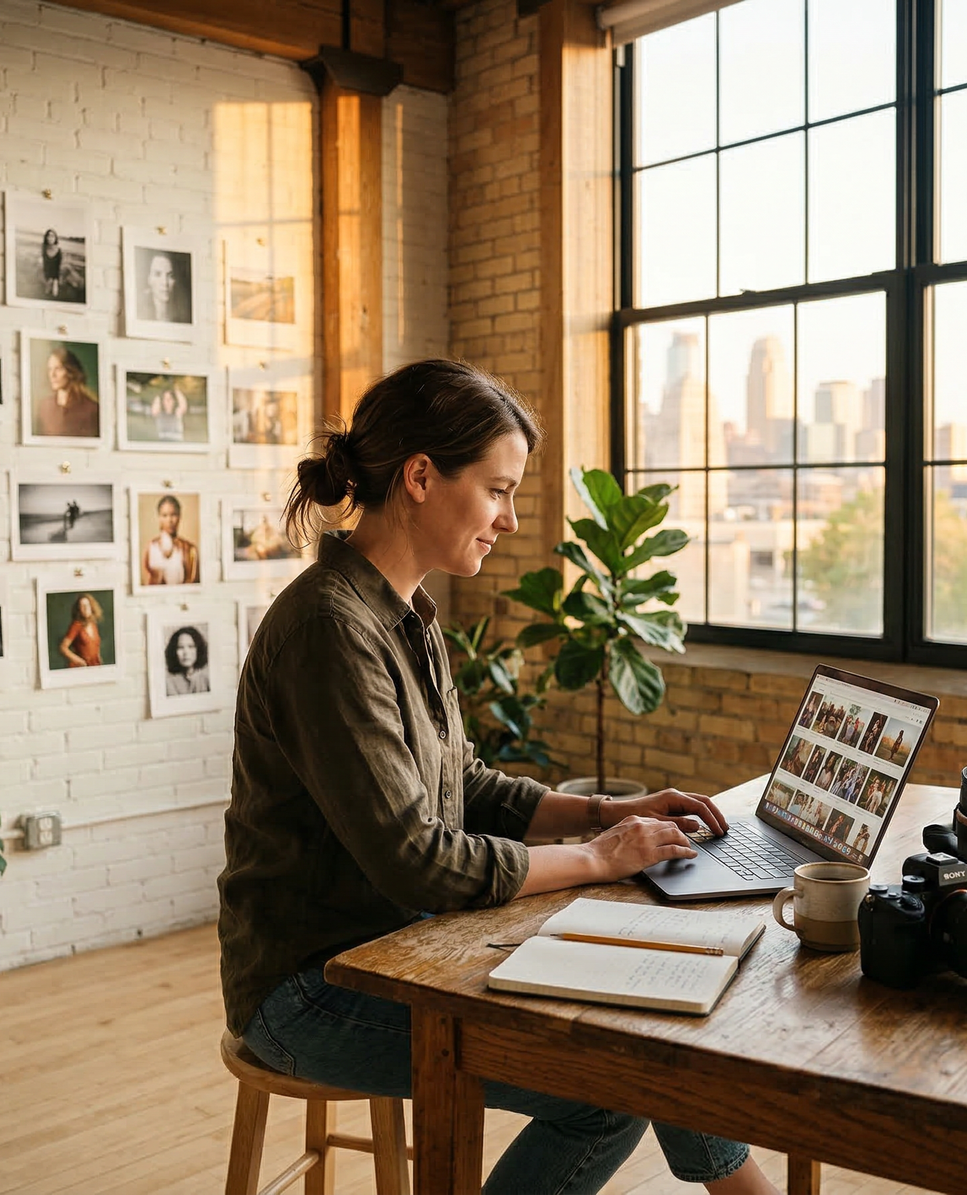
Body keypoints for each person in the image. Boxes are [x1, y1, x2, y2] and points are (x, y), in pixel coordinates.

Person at [218, 358, 779, 1195]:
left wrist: (608, 810)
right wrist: (599, 856)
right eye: (497, 490)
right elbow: (417, 856)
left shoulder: (405, 614)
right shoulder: (329, 630)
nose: (511, 519)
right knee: (611, 1089)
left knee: (646, 1025)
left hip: (407, 947)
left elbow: (466, 785)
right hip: (312, 989)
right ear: (419, 477)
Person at [34, 346, 99, 439]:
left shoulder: (91, 409)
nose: (52, 375)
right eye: (50, 369)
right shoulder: (44, 407)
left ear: (71, 371)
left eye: (58, 369)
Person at [142, 494, 198, 586]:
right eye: (164, 515)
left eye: (173, 515)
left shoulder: (190, 550)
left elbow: (193, 583)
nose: (169, 520)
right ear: (159, 518)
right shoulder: (151, 548)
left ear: (179, 517)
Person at [139, 250, 190, 324]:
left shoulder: (182, 316)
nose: (165, 282)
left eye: (170, 276)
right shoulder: (141, 313)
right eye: (158, 274)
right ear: (149, 279)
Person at [58, 593, 104, 668]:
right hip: (82, 668)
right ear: (79, 609)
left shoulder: (93, 624)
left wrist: (99, 660)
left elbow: (96, 646)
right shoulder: (76, 625)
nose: (85, 608)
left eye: (87, 605)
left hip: (95, 666)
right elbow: (63, 648)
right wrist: (80, 661)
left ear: (91, 606)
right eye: (82, 606)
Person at [164, 625, 209, 695]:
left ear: (198, 650)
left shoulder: (206, 679)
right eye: (180, 647)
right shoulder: (168, 683)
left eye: (191, 646)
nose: (186, 652)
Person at [41, 228, 62, 298]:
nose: (50, 238)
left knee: (54, 293)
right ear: (46, 237)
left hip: (55, 274)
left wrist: (55, 281)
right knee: (46, 292)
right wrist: (48, 279)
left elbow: (58, 267)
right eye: (48, 236)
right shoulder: (44, 248)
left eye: (52, 236)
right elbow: (44, 265)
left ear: (55, 238)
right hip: (45, 273)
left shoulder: (58, 250)